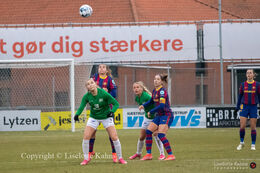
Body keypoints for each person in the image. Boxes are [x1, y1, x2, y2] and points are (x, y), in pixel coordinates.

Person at [74, 78, 127, 165]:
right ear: (87, 87)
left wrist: (111, 112)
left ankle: (120, 158)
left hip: (106, 117)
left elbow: (116, 104)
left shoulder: (103, 93)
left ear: (95, 84)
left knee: (114, 137)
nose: (90, 85)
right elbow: (81, 107)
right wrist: (77, 115)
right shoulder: (87, 96)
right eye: (88, 84)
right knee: (86, 136)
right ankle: (86, 159)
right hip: (94, 117)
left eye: (91, 83)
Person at [139, 74, 175, 161]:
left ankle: (171, 155)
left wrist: (151, 111)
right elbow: (151, 101)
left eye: (158, 79)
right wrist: (143, 105)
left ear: (162, 81)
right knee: (148, 131)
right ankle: (148, 154)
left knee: (161, 135)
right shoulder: (155, 90)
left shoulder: (162, 91)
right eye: (155, 79)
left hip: (166, 115)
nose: (155, 80)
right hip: (159, 115)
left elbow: (162, 106)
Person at [129, 81, 165, 160]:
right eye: (134, 88)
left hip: (156, 117)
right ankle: (138, 153)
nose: (136, 89)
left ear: (142, 88)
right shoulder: (137, 98)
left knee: (156, 134)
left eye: (138, 87)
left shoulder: (147, 96)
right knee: (142, 137)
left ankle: (162, 154)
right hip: (147, 118)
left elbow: (157, 104)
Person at [90, 64, 118, 162]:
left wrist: (107, 93)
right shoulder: (94, 78)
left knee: (111, 134)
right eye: (99, 67)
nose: (101, 68)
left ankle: (114, 153)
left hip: (107, 110)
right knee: (92, 132)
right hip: (96, 109)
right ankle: (90, 151)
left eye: (103, 67)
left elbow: (114, 94)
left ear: (106, 70)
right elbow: (89, 89)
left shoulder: (110, 80)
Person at [236, 69, 259, 151]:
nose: (249, 74)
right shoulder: (242, 85)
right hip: (244, 107)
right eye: (247, 73)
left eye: (250, 73)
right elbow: (240, 96)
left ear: (253, 75)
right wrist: (237, 107)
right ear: (246, 75)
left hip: (253, 107)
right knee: (242, 126)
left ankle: (253, 145)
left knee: (253, 127)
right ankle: (241, 143)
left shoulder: (257, 85)